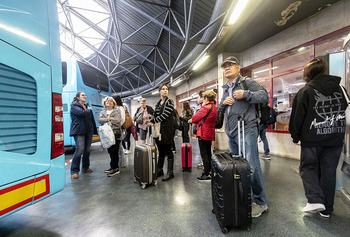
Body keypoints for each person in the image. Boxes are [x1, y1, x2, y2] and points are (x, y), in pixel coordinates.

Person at [289, 58, 347, 218]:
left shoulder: (305, 91)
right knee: (329, 172)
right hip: (335, 139)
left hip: (312, 139)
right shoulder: (340, 89)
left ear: (307, 74)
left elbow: (297, 118)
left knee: (308, 168)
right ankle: (327, 209)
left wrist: (295, 136)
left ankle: (315, 199)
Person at [218, 56, 269, 218]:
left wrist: (246, 94)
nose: (227, 68)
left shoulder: (247, 82)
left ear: (238, 67)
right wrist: (223, 103)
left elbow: (264, 95)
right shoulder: (226, 87)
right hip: (232, 131)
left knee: (252, 166)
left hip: (246, 128)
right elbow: (221, 107)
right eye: (225, 66)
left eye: (230, 65)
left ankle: (261, 202)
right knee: (237, 167)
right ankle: (243, 196)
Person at [189, 91, 217, 181]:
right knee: (209, 153)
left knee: (204, 153)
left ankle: (206, 174)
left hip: (203, 133)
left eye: (203, 98)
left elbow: (194, 118)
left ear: (206, 98)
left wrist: (191, 121)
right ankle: (210, 171)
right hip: (210, 132)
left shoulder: (205, 108)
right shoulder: (214, 107)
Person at [149, 84, 176, 181]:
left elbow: (165, 115)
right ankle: (160, 170)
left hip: (167, 130)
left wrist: (153, 121)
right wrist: (151, 119)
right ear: (159, 91)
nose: (165, 91)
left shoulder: (170, 102)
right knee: (160, 150)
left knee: (168, 150)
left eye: (166, 89)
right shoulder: (158, 103)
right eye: (163, 89)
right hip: (159, 131)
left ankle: (170, 172)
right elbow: (155, 114)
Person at [69, 91, 97, 179]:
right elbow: (82, 113)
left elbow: (91, 119)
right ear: (78, 97)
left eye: (85, 95)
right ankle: (74, 171)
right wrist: (89, 109)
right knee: (80, 149)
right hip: (79, 131)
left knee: (87, 150)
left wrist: (94, 129)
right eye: (82, 95)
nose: (85, 96)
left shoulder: (87, 106)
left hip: (88, 130)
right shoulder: (74, 106)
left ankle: (85, 167)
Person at [98, 97, 122, 177]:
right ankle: (112, 167)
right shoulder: (103, 111)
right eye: (107, 101)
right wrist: (109, 118)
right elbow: (99, 120)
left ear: (113, 103)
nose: (109, 102)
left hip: (115, 133)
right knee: (110, 151)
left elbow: (117, 121)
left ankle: (115, 168)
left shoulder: (117, 111)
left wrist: (105, 119)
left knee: (114, 151)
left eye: (111, 101)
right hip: (106, 134)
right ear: (104, 103)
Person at [112, 95, 126, 167]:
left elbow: (123, 119)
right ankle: (118, 163)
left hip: (118, 129)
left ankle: (122, 163)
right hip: (114, 129)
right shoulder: (114, 108)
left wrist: (117, 126)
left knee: (119, 146)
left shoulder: (120, 108)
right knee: (116, 146)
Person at [193, 90, 205, 168]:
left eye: (198, 97)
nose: (197, 99)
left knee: (204, 149)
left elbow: (195, 118)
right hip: (200, 130)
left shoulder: (203, 107)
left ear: (202, 98)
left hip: (203, 130)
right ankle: (204, 162)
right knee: (203, 148)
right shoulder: (199, 107)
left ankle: (206, 164)